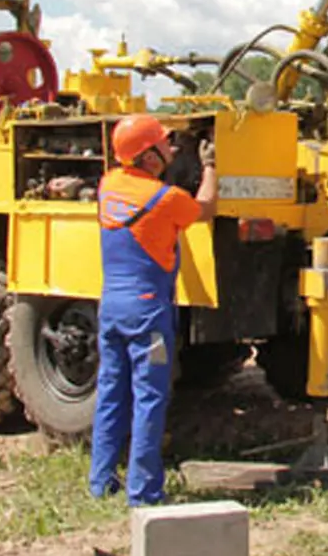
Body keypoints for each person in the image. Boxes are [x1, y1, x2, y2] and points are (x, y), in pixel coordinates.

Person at [88, 114, 217, 506]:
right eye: (164, 144)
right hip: (148, 317)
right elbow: (206, 208)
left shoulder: (107, 186)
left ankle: (101, 481)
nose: (173, 148)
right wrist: (210, 165)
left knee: (111, 391)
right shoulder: (165, 199)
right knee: (148, 397)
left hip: (112, 310)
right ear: (148, 156)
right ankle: (143, 492)